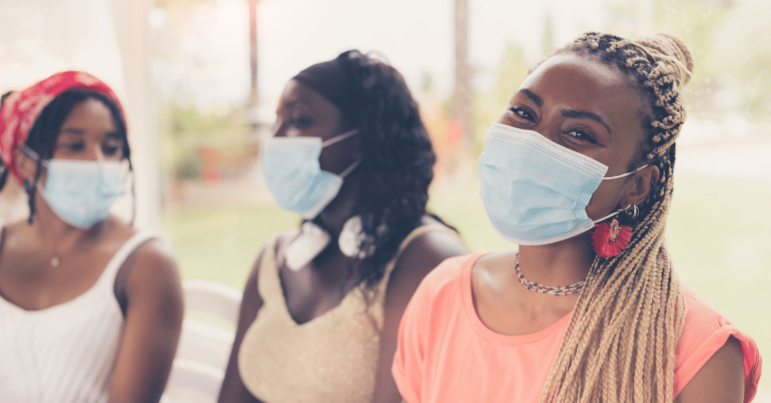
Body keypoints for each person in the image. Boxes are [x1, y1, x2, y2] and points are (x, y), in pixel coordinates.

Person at [392, 32, 762, 403]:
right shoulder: (440, 295)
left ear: (636, 185)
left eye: (578, 133)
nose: (534, 142)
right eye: (523, 113)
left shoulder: (696, 349)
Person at [217, 50, 467, 403]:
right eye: (277, 122)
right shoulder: (274, 259)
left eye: (299, 120)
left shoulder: (425, 260)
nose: (276, 139)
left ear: (363, 138)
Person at [0, 71, 184, 403]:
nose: (97, 162)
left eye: (111, 147)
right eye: (74, 145)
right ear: (25, 162)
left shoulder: (147, 265)